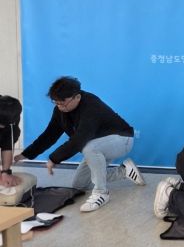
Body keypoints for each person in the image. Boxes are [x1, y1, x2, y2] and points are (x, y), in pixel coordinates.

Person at [14, 76, 145, 212]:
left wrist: (54, 158)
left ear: (77, 97)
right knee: (80, 184)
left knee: (88, 147)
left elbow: (79, 140)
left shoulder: (92, 106)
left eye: (63, 103)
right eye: (56, 103)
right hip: (98, 146)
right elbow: (50, 135)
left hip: (122, 140)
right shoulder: (60, 110)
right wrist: (26, 154)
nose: (60, 107)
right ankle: (125, 171)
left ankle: (101, 193)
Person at [0, 95, 23, 187]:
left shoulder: (12, 115)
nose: (1, 126)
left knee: (11, 132)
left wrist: (5, 172)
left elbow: (8, 144)